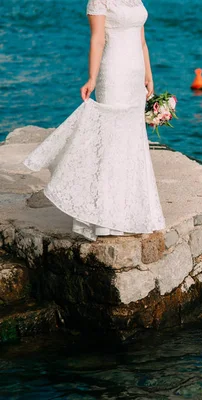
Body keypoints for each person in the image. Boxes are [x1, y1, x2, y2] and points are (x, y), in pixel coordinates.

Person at [22, 0, 166, 241]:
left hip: (135, 74)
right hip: (114, 73)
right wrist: (91, 78)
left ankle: (132, 211)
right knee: (110, 142)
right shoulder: (99, 0)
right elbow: (98, 40)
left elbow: (142, 41)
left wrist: (149, 75)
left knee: (131, 141)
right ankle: (105, 218)